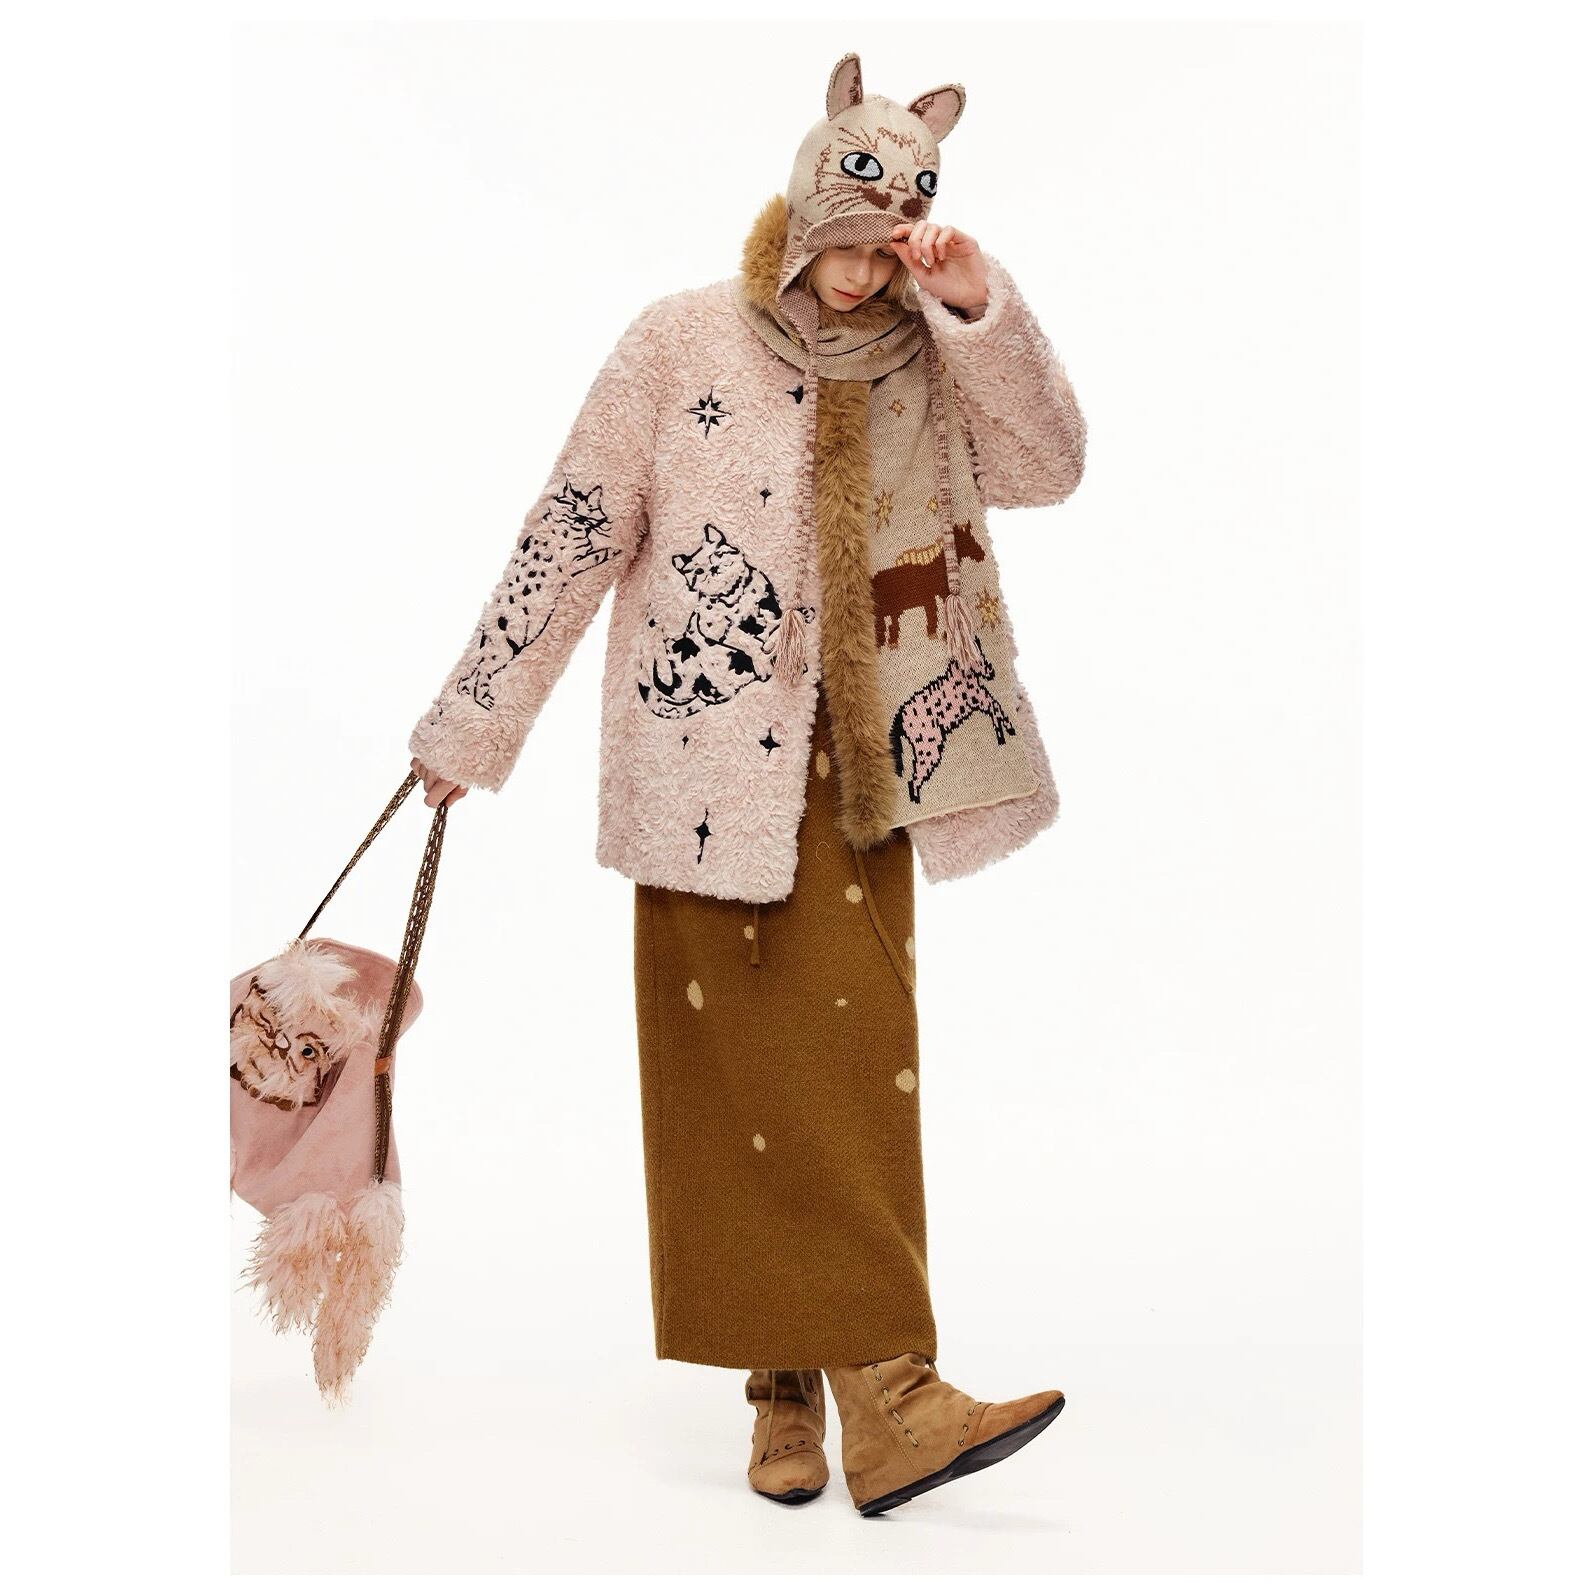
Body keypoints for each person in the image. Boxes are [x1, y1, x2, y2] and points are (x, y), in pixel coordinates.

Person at [407, 52, 1086, 1516]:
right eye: (844, 242)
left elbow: (1048, 466)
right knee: (734, 1083)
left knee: (849, 1069)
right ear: (799, 212)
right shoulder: (677, 345)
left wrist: (976, 305)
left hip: (867, 772)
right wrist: (471, 724)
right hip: (701, 766)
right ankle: (792, 1389)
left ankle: (885, 1395)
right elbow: (573, 529)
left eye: (887, 248)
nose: (862, 275)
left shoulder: (928, 352)